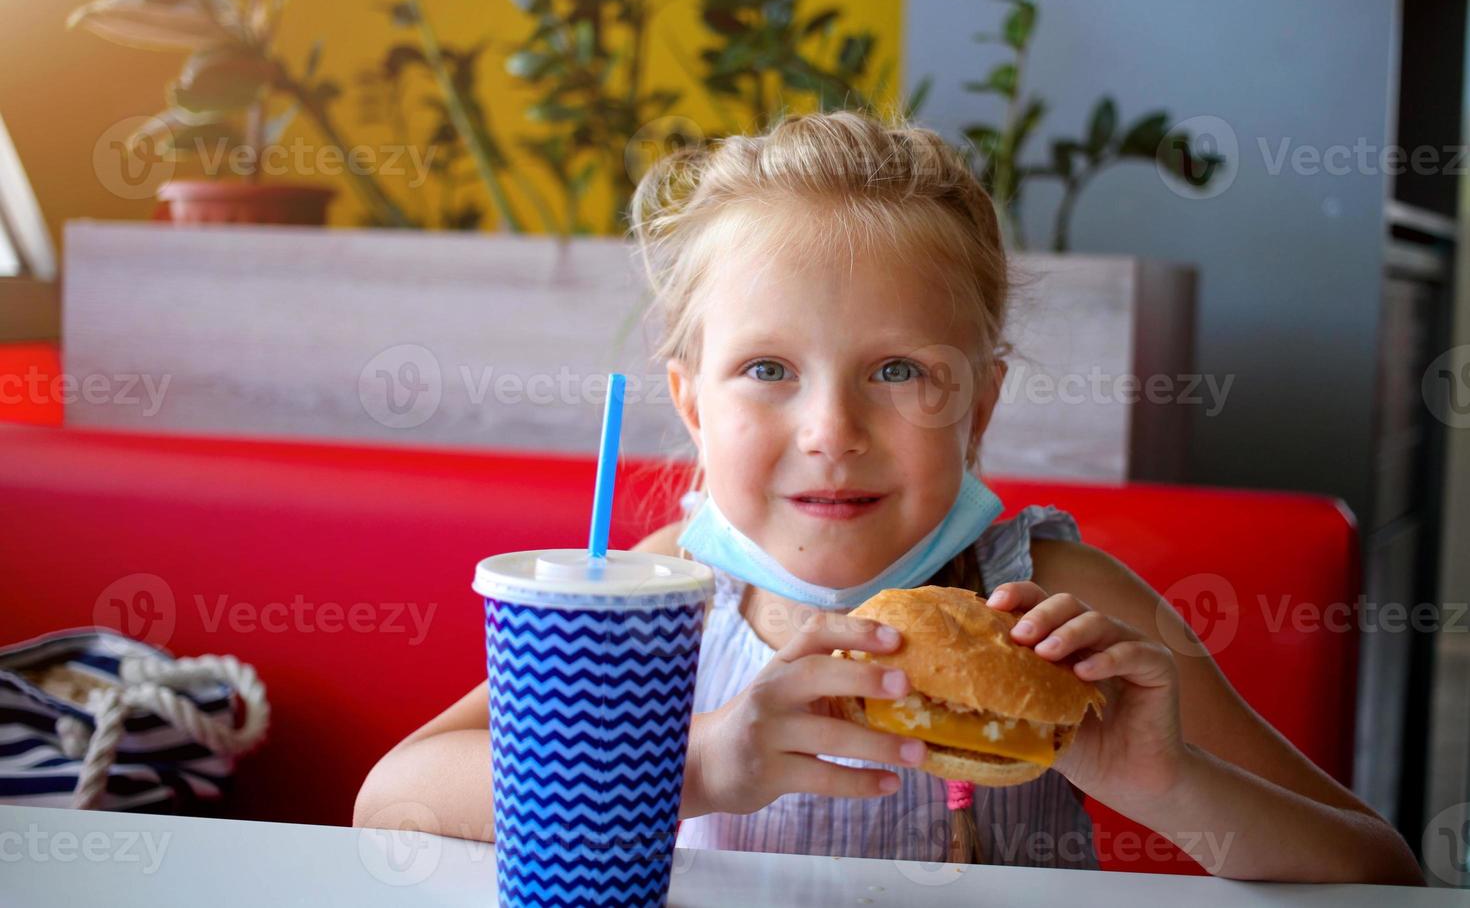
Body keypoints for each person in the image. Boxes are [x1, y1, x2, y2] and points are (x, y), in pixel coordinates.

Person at [355, 109, 1423, 884]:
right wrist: (696, 765)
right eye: (768, 369)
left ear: (981, 402)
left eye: (900, 370)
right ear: (690, 400)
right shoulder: (653, 597)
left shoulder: (1054, 600)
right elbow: (394, 795)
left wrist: (1165, 779)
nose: (831, 430)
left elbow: (1377, 867)